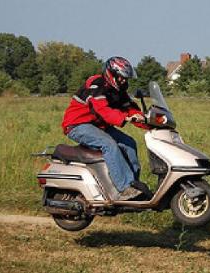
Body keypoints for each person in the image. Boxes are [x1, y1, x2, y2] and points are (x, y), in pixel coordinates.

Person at [61, 56, 152, 201]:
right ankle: (124, 188)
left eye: (125, 78)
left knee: (129, 143)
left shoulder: (119, 91)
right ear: (112, 74)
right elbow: (103, 110)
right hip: (78, 125)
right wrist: (123, 118)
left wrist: (149, 123)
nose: (124, 81)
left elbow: (130, 109)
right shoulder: (97, 85)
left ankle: (134, 186)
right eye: (121, 77)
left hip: (98, 126)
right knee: (109, 145)